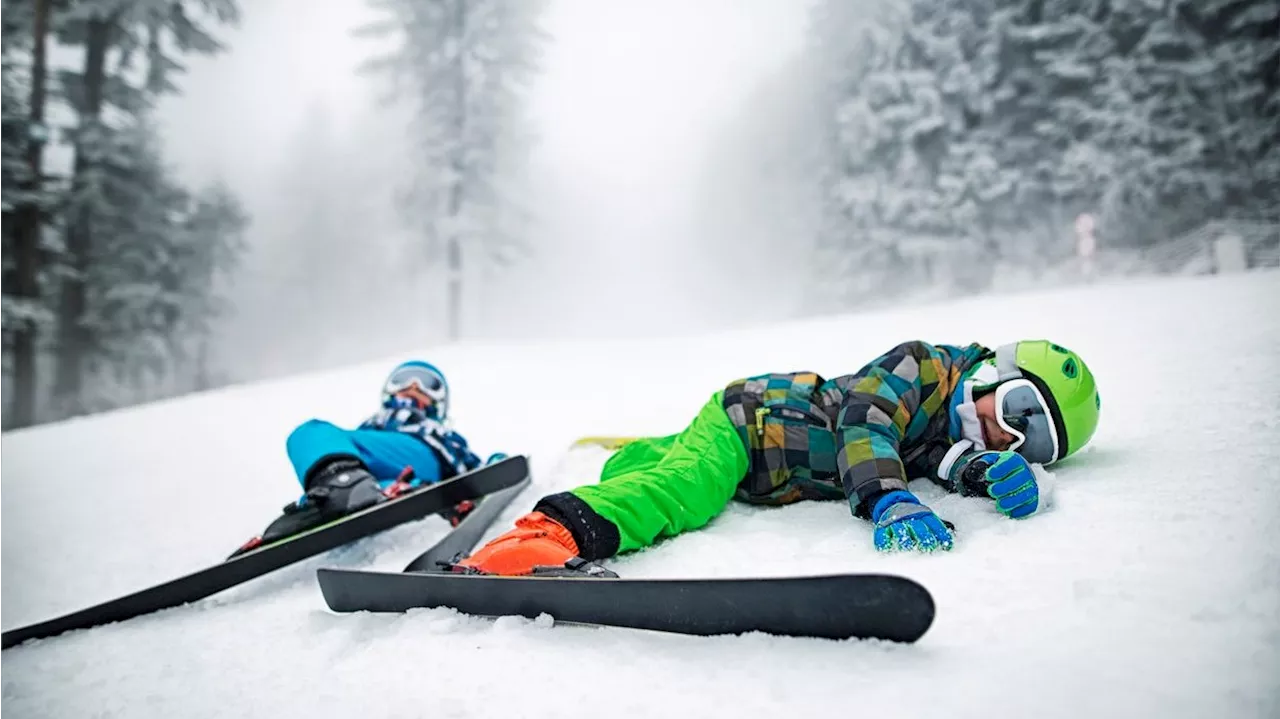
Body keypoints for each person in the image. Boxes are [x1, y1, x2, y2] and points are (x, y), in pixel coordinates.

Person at [449, 340, 1100, 577]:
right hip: (750, 424)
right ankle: (547, 533)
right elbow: (864, 419)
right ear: (993, 370)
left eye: (1032, 441)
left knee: (680, 470)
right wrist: (888, 496)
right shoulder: (922, 365)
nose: (1005, 433)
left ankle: (642, 459)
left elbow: (948, 461)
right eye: (1015, 409)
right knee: (689, 489)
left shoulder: (947, 436)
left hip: (763, 468)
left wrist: (1003, 476)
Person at [232, 360, 505, 556]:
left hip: (418, 453)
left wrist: (498, 464)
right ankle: (343, 497)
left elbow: (475, 469)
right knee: (309, 435)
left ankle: (343, 489)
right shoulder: (370, 427)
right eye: (403, 379)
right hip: (374, 476)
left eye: (427, 384)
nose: (413, 385)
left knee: (315, 431)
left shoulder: (439, 433)